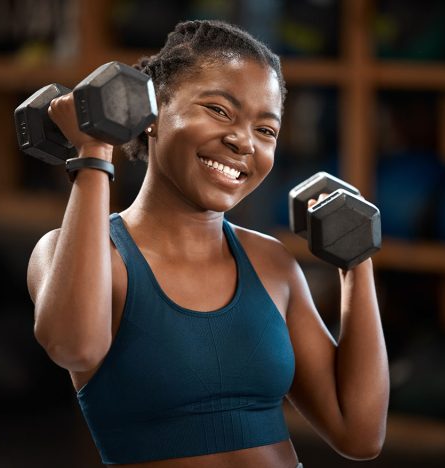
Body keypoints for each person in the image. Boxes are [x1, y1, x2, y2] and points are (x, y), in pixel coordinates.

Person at [27, 19, 389, 468]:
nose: (243, 142)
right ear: (151, 114)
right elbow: (73, 347)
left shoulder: (270, 263)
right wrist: (94, 153)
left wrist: (357, 261)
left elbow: (359, 433)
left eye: (266, 130)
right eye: (219, 110)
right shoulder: (86, 254)